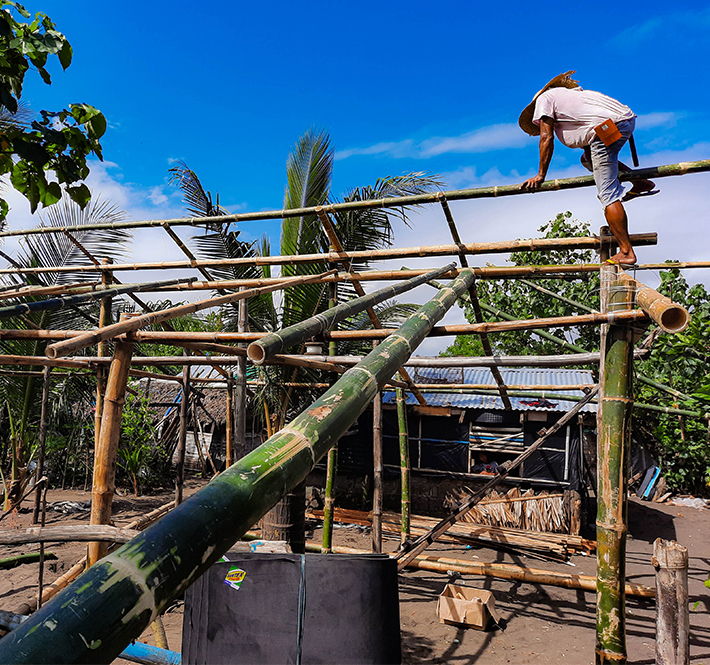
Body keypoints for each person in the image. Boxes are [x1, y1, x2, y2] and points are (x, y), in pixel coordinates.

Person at [519, 71, 657, 266]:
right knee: (587, 160)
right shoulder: (574, 97)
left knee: (607, 194)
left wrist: (541, 174)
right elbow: (586, 133)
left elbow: (546, 138)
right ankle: (639, 181)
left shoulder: (544, 99)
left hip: (605, 129)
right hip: (622, 122)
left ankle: (626, 252)